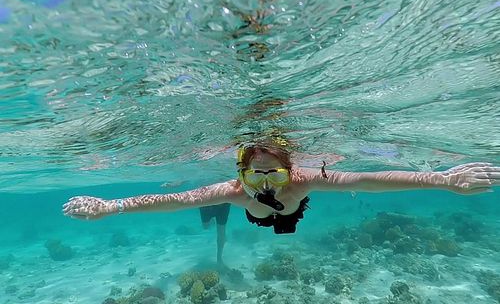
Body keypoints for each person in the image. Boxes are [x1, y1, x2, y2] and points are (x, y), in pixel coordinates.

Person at [63, 144, 499, 234]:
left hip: (295, 210)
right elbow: (175, 199)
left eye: (276, 174)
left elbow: (364, 179)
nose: (267, 183)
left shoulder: (306, 180)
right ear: (243, 175)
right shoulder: (236, 191)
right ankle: (222, 216)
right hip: (250, 215)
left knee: (288, 217)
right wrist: (111, 205)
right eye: (257, 175)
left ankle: (282, 219)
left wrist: (442, 180)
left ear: (292, 171)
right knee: (213, 204)